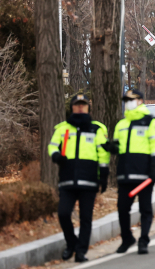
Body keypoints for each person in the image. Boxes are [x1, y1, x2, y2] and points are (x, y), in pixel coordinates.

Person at [48, 94, 110, 263]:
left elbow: (103, 153)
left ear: (88, 107)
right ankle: (71, 244)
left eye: (83, 105)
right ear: (72, 107)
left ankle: (81, 251)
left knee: (86, 218)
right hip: (67, 180)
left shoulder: (97, 129)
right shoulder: (62, 128)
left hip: (89, 181)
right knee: (63, 214)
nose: (80, 108)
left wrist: (103, 176)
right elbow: (52, 146)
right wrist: (56, 157)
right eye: (77, 105)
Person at [112, 89, 155, 255]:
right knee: (122, 208)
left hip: (144, 175)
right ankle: (127, 238)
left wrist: (154, 167)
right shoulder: (121, 124)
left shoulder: (151, 122)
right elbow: (118, 146)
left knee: (145, 209)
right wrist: (110, 147)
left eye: (131, 100)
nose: (128, 103)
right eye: (126, 100)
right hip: (124, 174)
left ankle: (143, 240)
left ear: (140, 101)